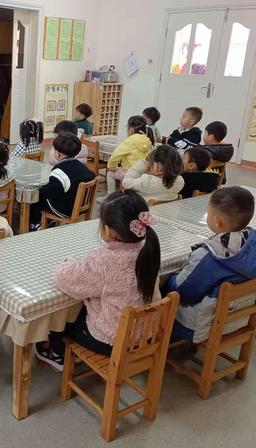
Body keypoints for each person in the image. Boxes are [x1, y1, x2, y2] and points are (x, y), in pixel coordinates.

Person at [35, 190, 161, 370]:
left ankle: (56, 351)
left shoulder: (103, 260)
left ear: (107, 230)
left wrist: (68, 261)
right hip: (145, 334)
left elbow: (66, 279)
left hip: (110, 340)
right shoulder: (148, 251)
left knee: (63, 319)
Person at [163, 187, 256, 343]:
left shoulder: (209, 255)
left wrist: (171, 277)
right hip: (240, 318)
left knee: (161, 287)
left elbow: (183, 291)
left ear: (217, 221)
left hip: (202, 326)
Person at [30, 133, 95, 226]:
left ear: (58, 153)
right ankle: (46, 222)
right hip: (80, 206)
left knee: (37, 196)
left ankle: (35, 224)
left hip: (65, 210)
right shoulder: (82, 167)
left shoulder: (60, 172)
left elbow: (48, 192)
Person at [98, 115, 154, 203]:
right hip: (143, 173)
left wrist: (111, 167)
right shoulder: (148, 140)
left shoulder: (130, 140)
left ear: (131, 129)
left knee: (110, 174)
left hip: (129, 173)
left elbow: (115, 155)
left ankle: (110, 196)